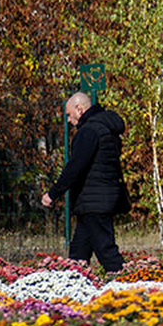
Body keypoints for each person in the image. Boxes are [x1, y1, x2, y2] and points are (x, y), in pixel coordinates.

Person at [41, 92, 129, 273]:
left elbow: (76, 167)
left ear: (79, 110)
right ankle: (72, 289)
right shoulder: (106, 128)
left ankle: (135, 287)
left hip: (94, 201)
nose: (68, 120)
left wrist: (53, 193)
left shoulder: (89, 131)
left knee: (107, 253)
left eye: (68, 114)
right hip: (98, 198)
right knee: (78, 255)